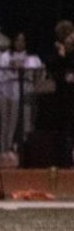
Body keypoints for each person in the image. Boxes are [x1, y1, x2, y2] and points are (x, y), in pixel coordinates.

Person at [0, 31, 43, 156]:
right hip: (5, 92)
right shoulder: (4, 57)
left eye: (22, 40)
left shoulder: (32, 58)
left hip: (18, 95)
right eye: (17, 40)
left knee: (13, 123)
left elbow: (38, 75)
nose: (19, 43)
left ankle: (9, 148)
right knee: (4, 122)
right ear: (13, 41)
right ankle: (3, 150)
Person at [46, 20, 74, 168]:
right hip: (63, 96)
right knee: (65, 129)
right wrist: (62, 54)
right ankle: (65, 161)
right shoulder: (59, 50)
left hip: (70, 95)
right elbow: (53, 66)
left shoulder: (70, 50)